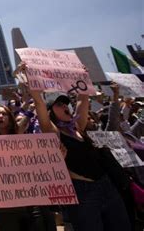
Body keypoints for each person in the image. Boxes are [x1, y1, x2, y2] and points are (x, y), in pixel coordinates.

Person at [29, 86, 132, 230]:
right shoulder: (54, 133)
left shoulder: (78, 127)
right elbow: (39, 105)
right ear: (50, 112)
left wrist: (82, 78)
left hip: (106, 185)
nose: (65, 106)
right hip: (83, 194)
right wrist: (34, 91)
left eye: (65, 103)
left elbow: (83, 98)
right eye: (59, 104)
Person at [0, 105, 55, 231]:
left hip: (29, 202)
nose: (0, 116)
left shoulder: (22, 140)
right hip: (4, 207)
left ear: (10, 119)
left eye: (4, 114)